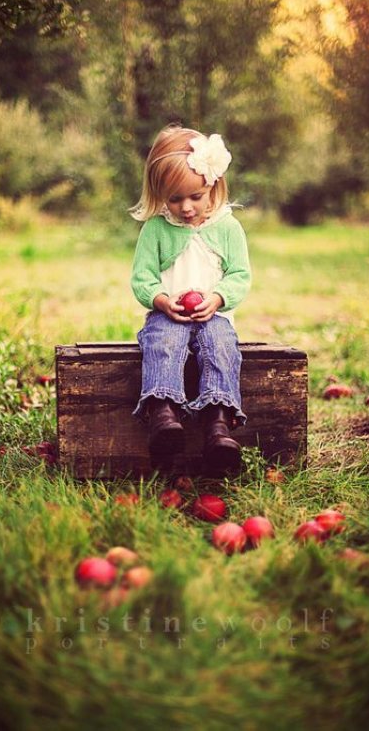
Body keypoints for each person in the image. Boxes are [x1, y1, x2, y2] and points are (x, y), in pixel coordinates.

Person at [130, 124, 251, 474]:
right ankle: (162, 413)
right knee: (162, 343)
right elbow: (142, 277)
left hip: (214, 315)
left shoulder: (228, 228)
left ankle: (218, 422)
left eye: (195, 197)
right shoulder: (156, 229)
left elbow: (240, 275)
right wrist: (160, 300)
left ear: (213, 186)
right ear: (160, 195)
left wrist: (218, 298)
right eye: (174, 198)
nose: (185, 207)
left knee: (222, 348)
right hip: (169, 313)